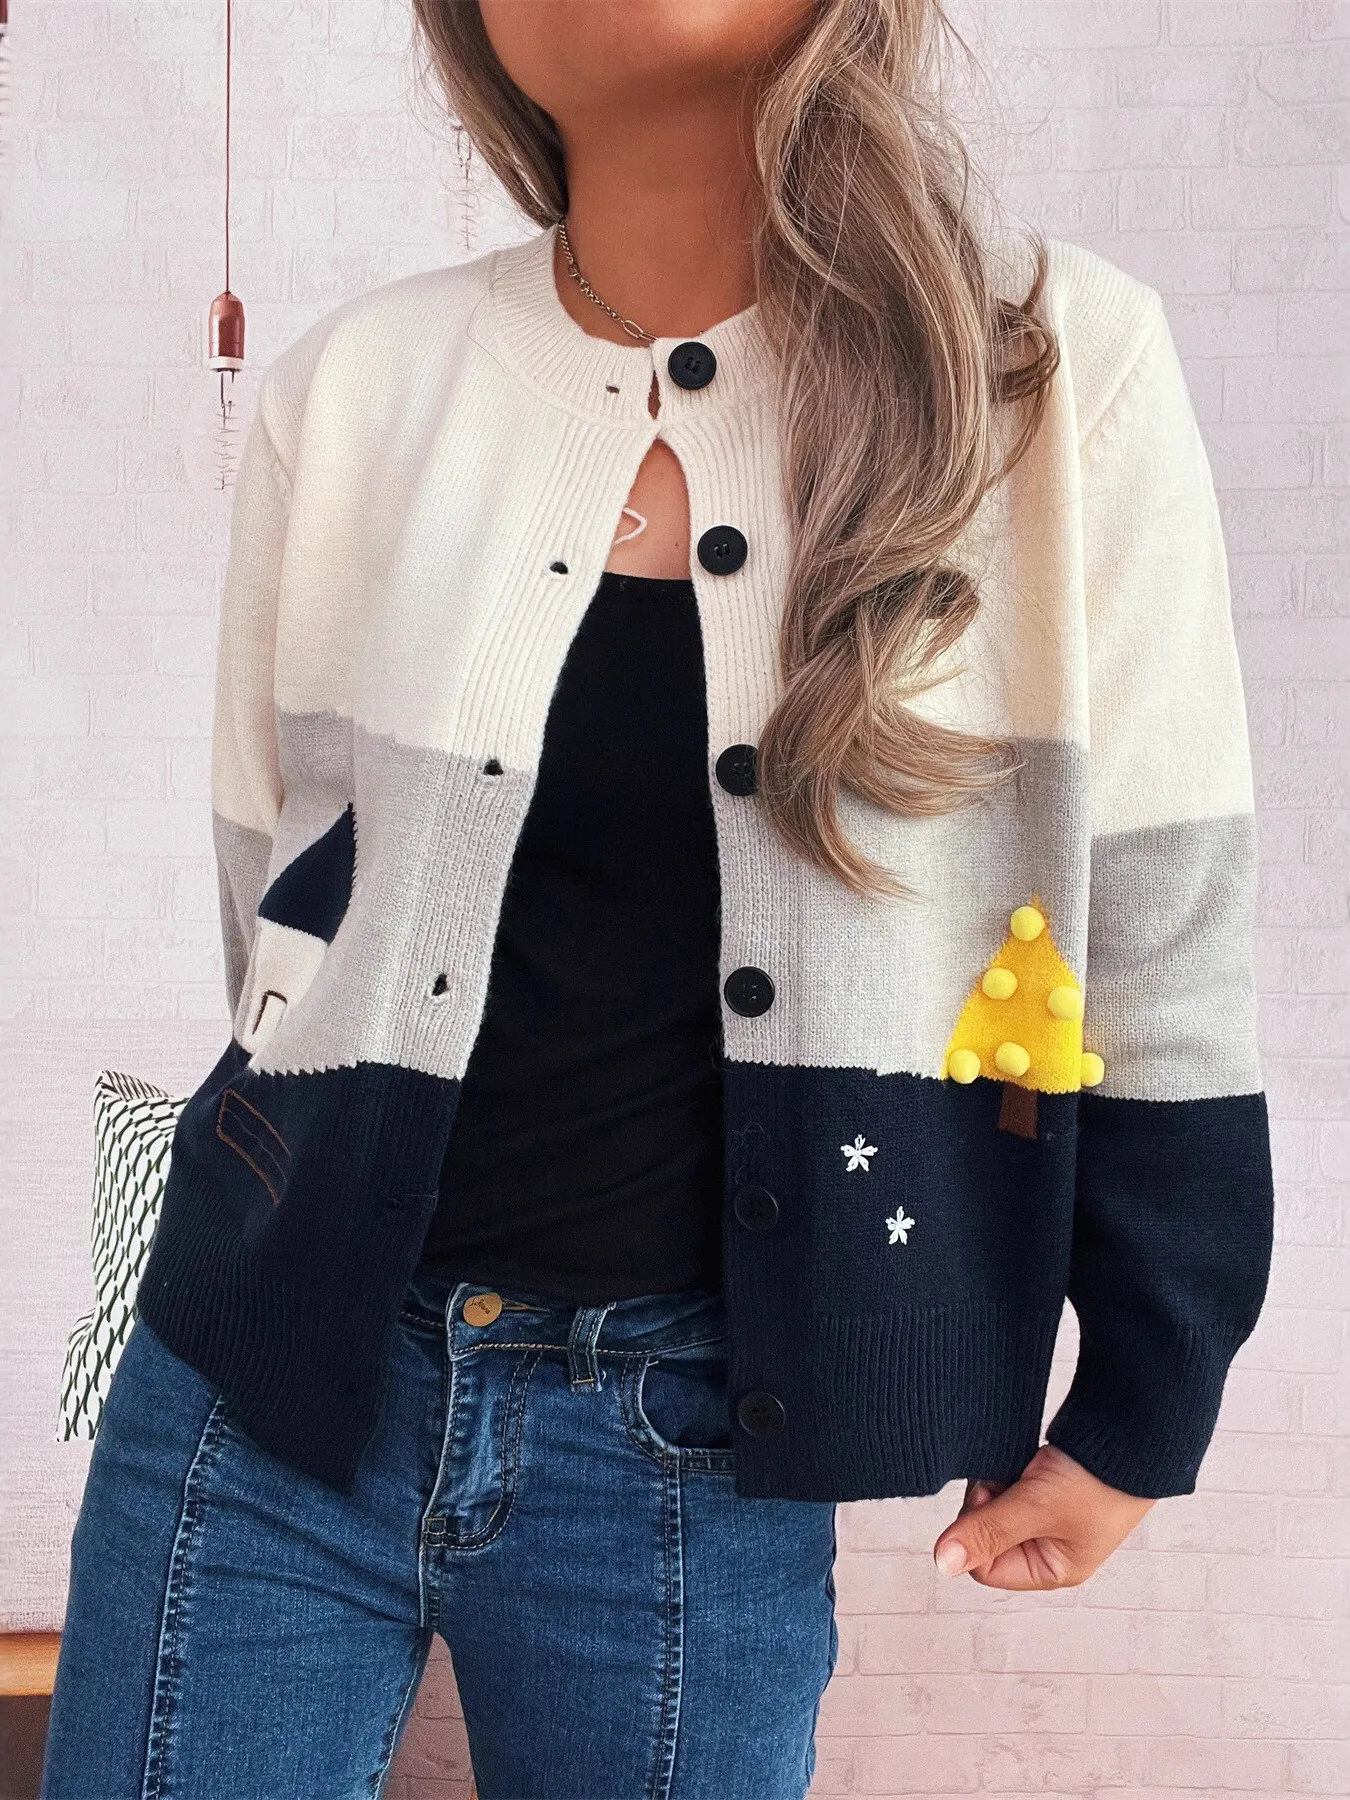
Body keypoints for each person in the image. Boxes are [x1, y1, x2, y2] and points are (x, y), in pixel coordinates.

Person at [40, 3, 1274, 1797]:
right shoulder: (354, 388)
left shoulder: (1037, 364)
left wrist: (1152, 1386)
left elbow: (1162, 902)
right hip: (258, 1381)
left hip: (694, 1444)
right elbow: (278, 917)